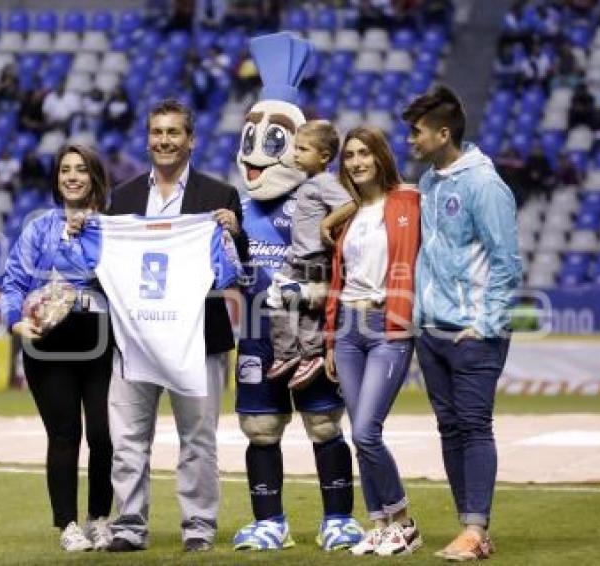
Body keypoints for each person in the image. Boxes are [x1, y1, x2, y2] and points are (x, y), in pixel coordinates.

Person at [232, 32, 362, 554]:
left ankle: (338, 519)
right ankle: (270, 522)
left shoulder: (317, 196)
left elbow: (349, 266)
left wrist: (313, 291)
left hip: (312, 331)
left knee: (325, 423)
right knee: (260, 427)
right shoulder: (236, 207)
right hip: (258, 334)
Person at [104, 98, 248, 553]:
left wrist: (234, 233)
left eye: (173, 133)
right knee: (127, 438)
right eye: (157, 133)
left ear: (191, 140)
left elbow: (237, 271)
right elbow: (105, 264)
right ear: (147, 139)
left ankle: (199, 526)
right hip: (135, 340)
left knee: (199, 440)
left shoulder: (218, 197)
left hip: (197, 337)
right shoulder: (123, 198)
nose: (163, 141)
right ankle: (128, 525)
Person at [401, 85, 521, 561]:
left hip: (473, 332)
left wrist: (486, 323)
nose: (409, 140)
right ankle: (470, 529)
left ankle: (475, 528)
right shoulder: (431, 182)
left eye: (416, 132)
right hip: (432, 332)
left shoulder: (484, 185)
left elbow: (506, 260)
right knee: (450, 429)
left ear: (443, 133)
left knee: (474, 426)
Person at [0, 144, 115, 553]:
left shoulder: (113, 228)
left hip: (101, 338)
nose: (72, 176)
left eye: (81, 169)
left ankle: (100, 518)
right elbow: (13, 280)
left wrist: (83, 237)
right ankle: (67, 524)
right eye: (65, 169)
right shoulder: (38, 228)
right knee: (64, 434)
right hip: (49, 343)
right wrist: (14, 320)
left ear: (94, 176)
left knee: (103, 435)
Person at [321, 126, 422, 556]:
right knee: (358, 434)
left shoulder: (409, 201)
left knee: (366, 431)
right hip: (347, 329)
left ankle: (404, 522)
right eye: (349, 155)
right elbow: (337, 280)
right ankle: (378, 524)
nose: (357, 162)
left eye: (365, 153)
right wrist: (329, 340)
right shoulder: (351, 214)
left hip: (388, 327)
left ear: (380, 157)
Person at [265, 120, 353, 390]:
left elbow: (350, 204)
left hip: (313, 259)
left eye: (303, 149)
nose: (296, 154)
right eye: (296, 148)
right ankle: (293, 354)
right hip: (299, 258)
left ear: (324, 156)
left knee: (298, 303)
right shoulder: (310, 183)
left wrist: (327, 224)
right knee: (283, 299)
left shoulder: (325, 182)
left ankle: (306, 354)